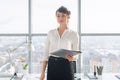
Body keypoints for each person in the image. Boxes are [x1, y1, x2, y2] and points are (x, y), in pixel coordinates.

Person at [40, 6, 79, 80]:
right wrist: (42, 73)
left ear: (68, 17)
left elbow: (76, 56)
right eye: (58, 16)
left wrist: (72, 58)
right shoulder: (51, 33)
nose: (60, 18)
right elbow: (45, 55)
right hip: (52, 65)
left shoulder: (74, 34)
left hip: (66, 65)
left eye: (63, 16)